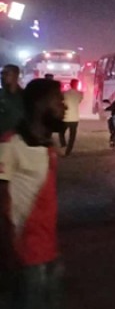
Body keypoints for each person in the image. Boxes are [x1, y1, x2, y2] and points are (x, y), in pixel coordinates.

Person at [0, 78, 66, 309]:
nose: (64, 107)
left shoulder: (46, 145)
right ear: (40, 104)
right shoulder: (11, 144)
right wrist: (8, 255)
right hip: (25, 258)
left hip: (49, 253)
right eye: (58, 101)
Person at [59, 79, 83, 156]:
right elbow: (79, 101)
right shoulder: (80, 94)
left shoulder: (65, 94)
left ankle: (63, 144)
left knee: (61, 132)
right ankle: (68, 151)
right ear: (77, 85)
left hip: (65, 117)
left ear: (70, 84)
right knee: (72, 136)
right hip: (75, 118)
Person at [0, 65, 25, 138]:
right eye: (2, 74)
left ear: (16, 76)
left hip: (17, 140)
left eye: (7, 74)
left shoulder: (25, 96)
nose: (3, 77)